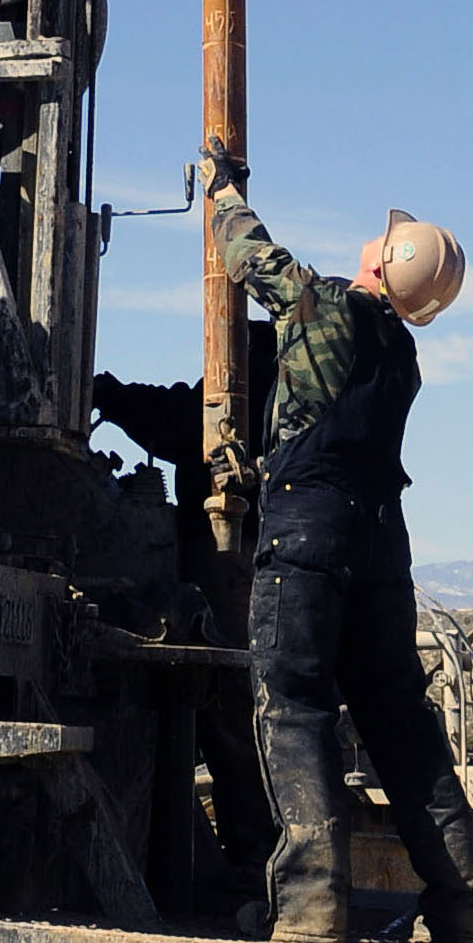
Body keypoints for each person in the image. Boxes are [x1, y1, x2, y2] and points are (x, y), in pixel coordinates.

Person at [197, 141, 473, 943]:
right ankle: (462, 900)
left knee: (292, 708)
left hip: (309, 530)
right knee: (398, 716)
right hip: (381, 543)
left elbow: (251, 258)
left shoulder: (322, 305)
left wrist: (221, 192)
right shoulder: (405, 353)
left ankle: (312, 904)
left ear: (386, 261)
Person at [91, 357, 277, 889]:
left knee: (231, 708)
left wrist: (113, 394)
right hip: (248, 559)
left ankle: (254, 862)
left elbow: (184, 422)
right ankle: (254, 857)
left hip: (231, 559)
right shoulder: (284, 363)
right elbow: (181, 409)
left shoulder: (251, 369)